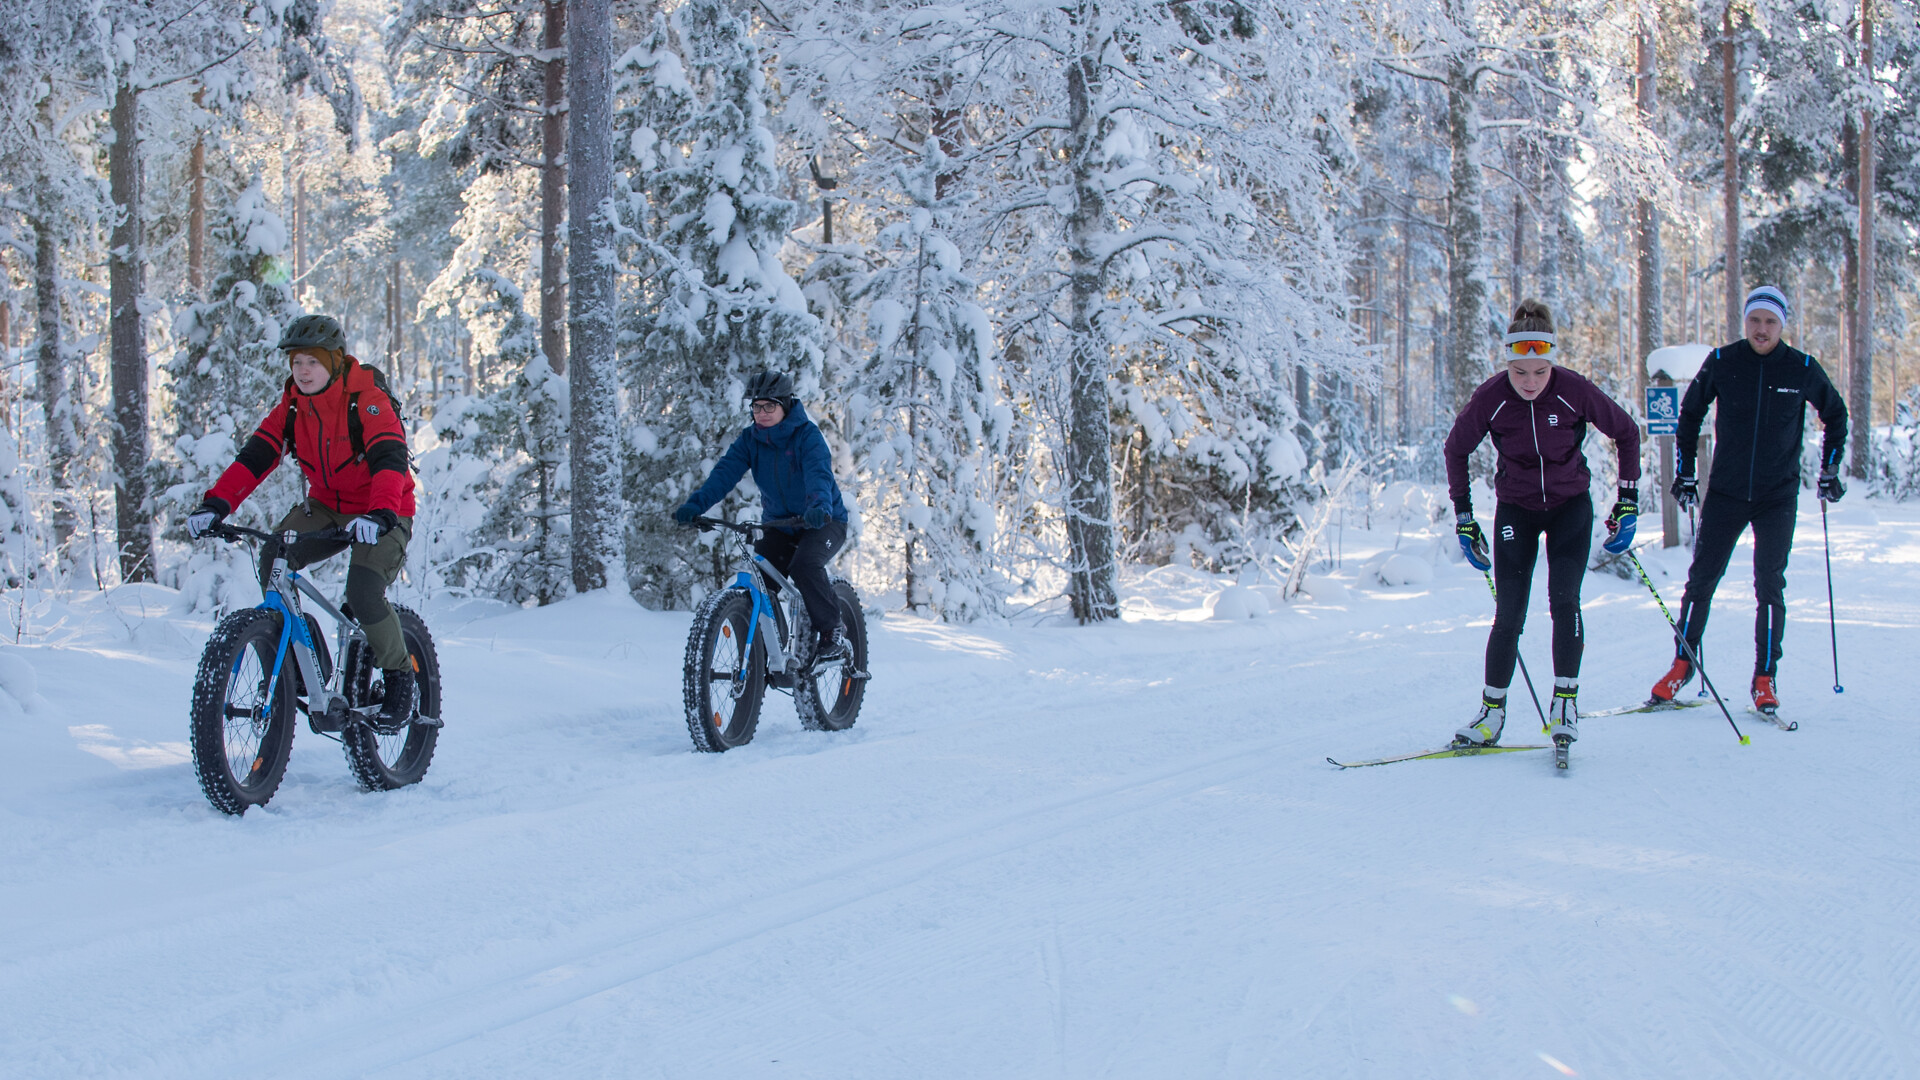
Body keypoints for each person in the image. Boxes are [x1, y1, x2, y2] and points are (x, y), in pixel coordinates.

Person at [185, 315, 418, 725]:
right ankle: (302, 651)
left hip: (385, 508)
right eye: (297, 363)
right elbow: (254, 459)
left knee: (363, 593)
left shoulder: (366, 399)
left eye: (312, 362)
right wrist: (216, 505)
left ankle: (401, 678)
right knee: (275, 556)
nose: (303, 371)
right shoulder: (293, 408)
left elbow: (389, 459)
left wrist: (380, 512)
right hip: (327, 506)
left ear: (333, 361)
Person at [1444, 299, 1642, 751]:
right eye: (1520, 371)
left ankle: (1565, 704)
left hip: (1570, 506)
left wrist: (1627, 501)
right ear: (1508, 364)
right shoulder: (1491, 397)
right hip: (1517, 509)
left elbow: (1626, 432)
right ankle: (1491, 714)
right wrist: (1465, 518)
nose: (1530, 381)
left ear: (1551, 361)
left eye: (1539, 371)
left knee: (1564, 602)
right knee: (1510, 613)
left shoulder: (1573, 389)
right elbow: (1455, 450)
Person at [1648, 285, 1847, 715]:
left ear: (1782, 325)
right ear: (1745, 322)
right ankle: (1683, 664)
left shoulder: (1801, 367)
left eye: (1770, 322)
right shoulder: (1723, 360)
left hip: (1778, 496)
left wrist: (1829, 468)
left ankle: (1764, 677)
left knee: (1770, 585)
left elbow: (1835, 413)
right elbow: (1690, 414)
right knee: (1701, 581)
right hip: (1726, 493)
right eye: (1754, 320)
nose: (1761, 329)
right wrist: (1685, 472)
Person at [673, 372, 854, 662]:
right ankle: (770, 654)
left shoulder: (807, 436)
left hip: (824, 521)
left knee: (805, 566)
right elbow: (723, 475)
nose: (762, 413)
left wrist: (819, 506)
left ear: (785, 405)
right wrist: (696, 506)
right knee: (759, 585)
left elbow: (818, 474)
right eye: (756, 407)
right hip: (780, 526)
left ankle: (833, 630)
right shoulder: (750, 440)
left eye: (769, 406)